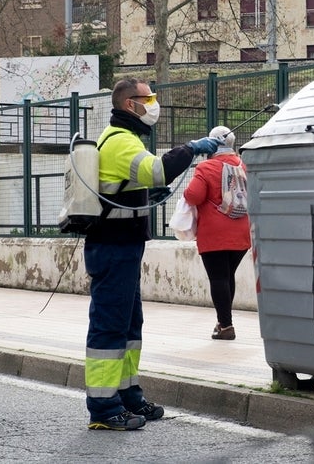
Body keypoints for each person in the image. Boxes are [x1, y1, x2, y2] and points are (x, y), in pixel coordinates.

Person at [84, 78, 220, 431]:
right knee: (109, 328)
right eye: (150, 98)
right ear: (131, 104)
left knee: (129, 326)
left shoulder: (124, 140)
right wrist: (191, 148)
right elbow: (158, 169)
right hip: (113, 248)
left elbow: (146, 181)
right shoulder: (120, 142)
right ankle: (103, 407)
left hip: (122, 247)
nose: (154, 104)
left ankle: (128, 396)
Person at [183, 126, 251, 341]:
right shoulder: (244, 166)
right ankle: (224, 322)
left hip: (214, 233)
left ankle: (225, 325)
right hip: (241, 231)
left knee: (219, 278)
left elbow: (193, 196)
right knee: (227, 276)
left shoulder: (206, 167)